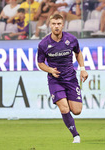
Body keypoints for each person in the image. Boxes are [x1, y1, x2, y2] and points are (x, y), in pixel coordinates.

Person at [37, 14, 88, 143]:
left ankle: (68, 110)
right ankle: (76, 135)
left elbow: (78, 53)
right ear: (50, 25)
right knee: (64, 108)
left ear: (63, 24)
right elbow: (40, 63)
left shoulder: (71, 39)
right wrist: (50, 70)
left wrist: (82, 69)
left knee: (76, 111)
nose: (56, 26)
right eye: (54, 23)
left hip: (71, 78)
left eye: (59, 23)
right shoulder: (43, 44)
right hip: (55, 80)